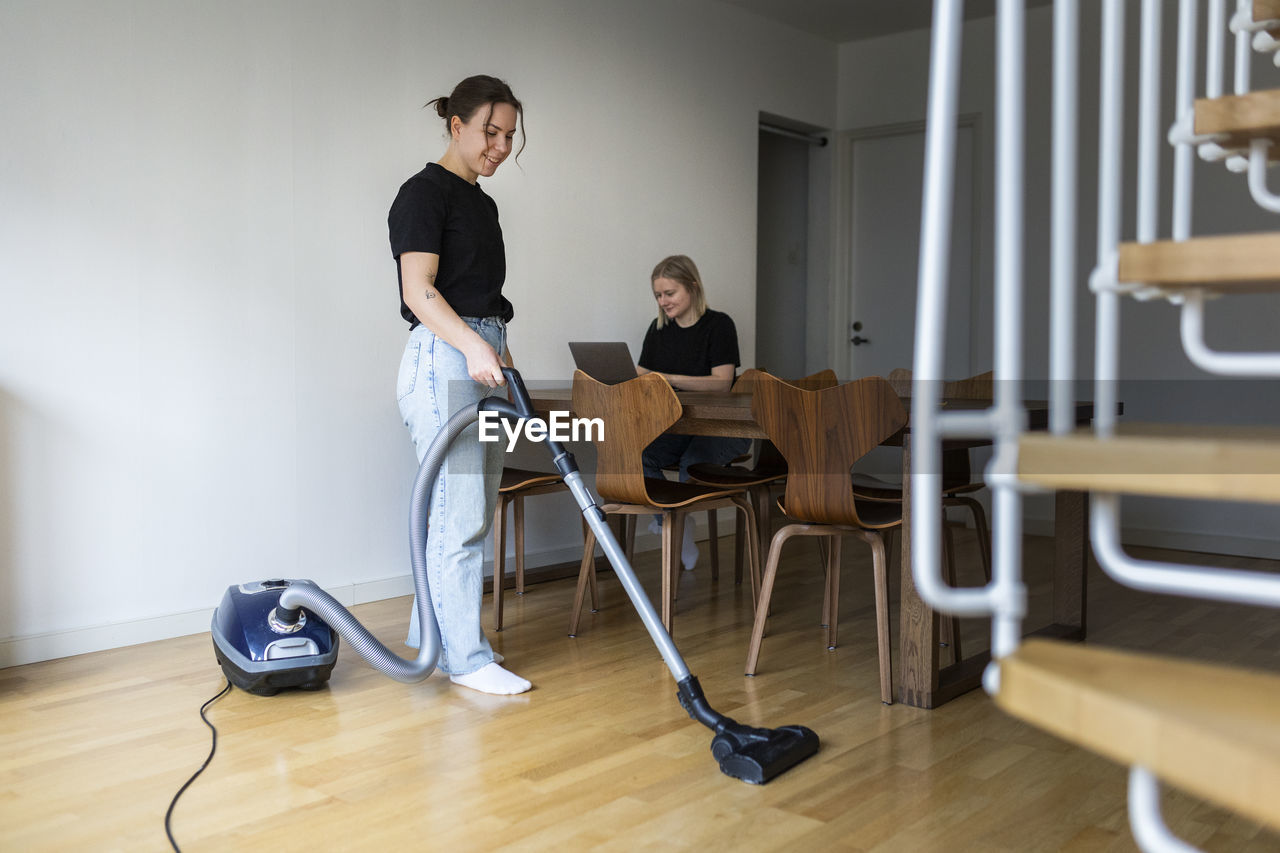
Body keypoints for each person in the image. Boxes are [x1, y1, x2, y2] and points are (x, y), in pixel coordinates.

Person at [387, 75, 530, 695]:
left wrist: (500, 347)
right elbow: (418, 291)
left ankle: (431, 641)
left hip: (481, 356)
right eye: (490, 133)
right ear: (457, 125)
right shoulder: (422, 194)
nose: (500, 146)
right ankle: (465, 660)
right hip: (445, 359)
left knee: (464, 510)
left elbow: (482, 296)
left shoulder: (484, 203)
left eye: (509, 137)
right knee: (460, 512)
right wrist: (474, 343)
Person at [637, 255, 751, 570]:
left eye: (669, 293)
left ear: (693, 286)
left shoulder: (719, 325)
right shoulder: (658, 329)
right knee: (637, 452)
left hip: (723, 428)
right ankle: (675, 521)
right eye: (658, 295)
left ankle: (677, 521)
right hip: (678, 426)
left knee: (692, 462)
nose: (663, 302)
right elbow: (641, 375)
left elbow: (722, 383)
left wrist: (669, 379)